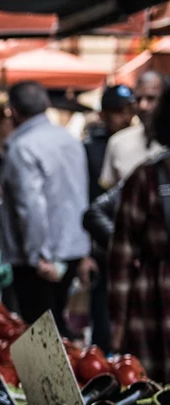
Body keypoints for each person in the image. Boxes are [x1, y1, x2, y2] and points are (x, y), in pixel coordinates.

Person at [0, 81, 91, 336]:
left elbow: (31, 206)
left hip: (39, 257)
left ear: (12, 111)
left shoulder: (23, 147)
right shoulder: (69, 140)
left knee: (41, 335)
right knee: (56, 329)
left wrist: (38, 255)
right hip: (70, 249)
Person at [108, 77, 170, 383]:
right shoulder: (145, 177)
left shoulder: (147, 177)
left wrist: (118, 325)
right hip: (153, 303)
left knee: (153, 396)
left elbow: (121, 257)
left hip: (152, 302)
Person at [83, 85, 136, 352]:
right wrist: (86, 253)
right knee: (104, 325)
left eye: (128, 110)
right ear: (103, 114)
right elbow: (89, 205)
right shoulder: (90, 149)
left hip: (135, 250)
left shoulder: (143, 143)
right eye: (117, 111)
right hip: (104, 249)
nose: (124, 116)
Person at [101, 71, 168, 189]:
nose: (143, 106)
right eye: (138, 99)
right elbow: (109, 192)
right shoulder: (118, 142)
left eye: (151, 98)